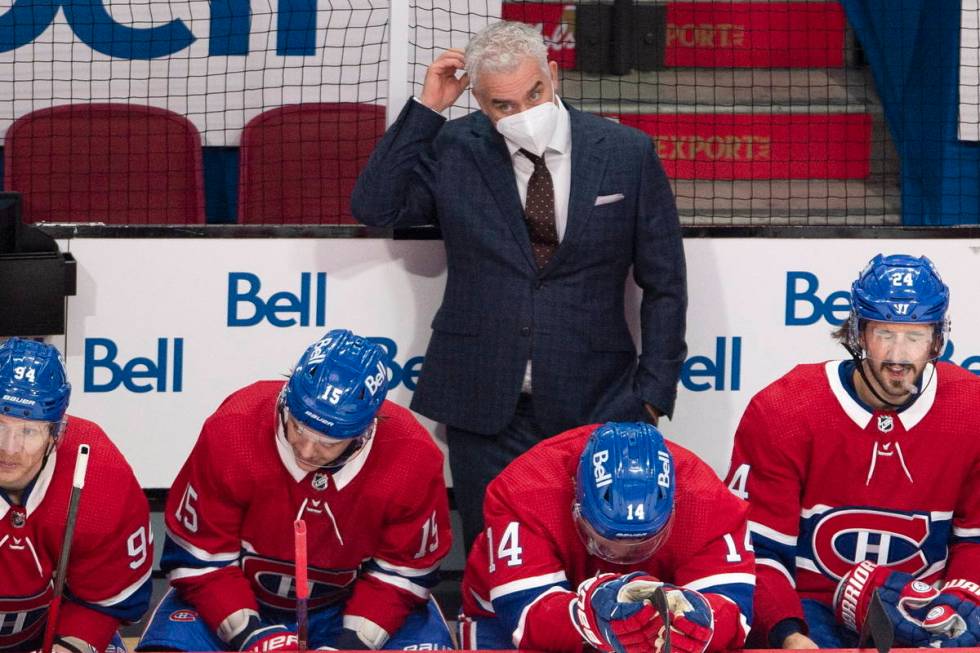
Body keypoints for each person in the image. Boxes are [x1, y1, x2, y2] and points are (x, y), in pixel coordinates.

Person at [352, 20, 687, 552]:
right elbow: (375, 206)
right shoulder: (455, 147)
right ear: (481, 104)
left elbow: (665, 282)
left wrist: (652, 395)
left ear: (553, 74)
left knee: (593, 556)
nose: (524, 113)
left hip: (597, 399)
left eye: (534, 92)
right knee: (494, 561)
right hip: (482, 401)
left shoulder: (626, 152)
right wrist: (428, 110)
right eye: (503, 104)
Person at [137, 329, 454, 651]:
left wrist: (354, 645)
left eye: (328, 443)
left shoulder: (412, 456)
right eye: (297, 428)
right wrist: (251, 635)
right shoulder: (234, 427)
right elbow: (201, 557)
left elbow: (403, 573)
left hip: (352, 604)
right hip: (238, 594)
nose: (306, 450)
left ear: (365, 430)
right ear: (287, 399)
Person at [725, 253, 980, 649]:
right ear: (859, 334)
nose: (898, 356)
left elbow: (974, 541)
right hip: (812, 608)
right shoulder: (784, 409)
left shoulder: (971, 410)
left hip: (925, 609)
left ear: (937, 340)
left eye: (914, 337)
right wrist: (788, 634)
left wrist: (959, 606)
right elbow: (757, 551)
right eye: (884, 334)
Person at [458, 421, 754, 653]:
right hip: (501, 621)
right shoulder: (523, 490)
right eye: (604, 540)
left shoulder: (710, 501)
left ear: (675, 507)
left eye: (642, 543)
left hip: (646, 634)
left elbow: (733, 612)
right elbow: (526, 618)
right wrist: (592, 618)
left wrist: (700, 618)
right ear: (576, 501)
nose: (622, 557)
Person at [0, 337, 152, 653]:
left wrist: (69, 647)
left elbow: (105, 604)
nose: (9, 448)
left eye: (28, 431)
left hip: (53, 636)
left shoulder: (102, 475)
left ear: (57, 432)